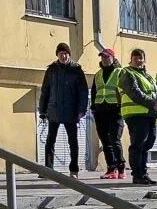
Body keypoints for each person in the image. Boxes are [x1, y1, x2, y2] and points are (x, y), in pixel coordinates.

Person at [39, 42, 88, 179]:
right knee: (50, 140)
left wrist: (81, 109)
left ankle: (74, 170)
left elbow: (83, 92)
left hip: (71, 111)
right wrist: (42, 111)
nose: (64, 56)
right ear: (57, 55)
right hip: (53, 110)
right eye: (61, 54)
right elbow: (45, 91)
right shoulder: (52, 70)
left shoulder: (76, 70)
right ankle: (48, 170)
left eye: (66, 53)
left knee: (73, 141)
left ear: (69, 54)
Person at [118, 48, 157, 186]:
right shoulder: (126, 73)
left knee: (149, 142)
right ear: (130, 60)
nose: (138, 60)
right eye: (135, 58)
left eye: (141, 58)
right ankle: (137, 174)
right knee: (138, 144)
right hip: (136, 114)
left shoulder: (148, 76)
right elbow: (134, 92)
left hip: (149, 114)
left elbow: (155, 92)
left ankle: (143, 173)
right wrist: (153, 103)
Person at [89, 48, 125, 180]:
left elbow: (125, 91)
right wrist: (93, 108)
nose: (104, 59)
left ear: (113, 58)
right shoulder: (98, 74)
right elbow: (94, 92)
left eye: (106, 57)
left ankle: (121, 167)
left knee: (115, 139)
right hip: (100, 111)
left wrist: (122, 107)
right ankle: (111, 168)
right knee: (105, 141)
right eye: (102, 57)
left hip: (115, 110)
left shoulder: (120, 72)